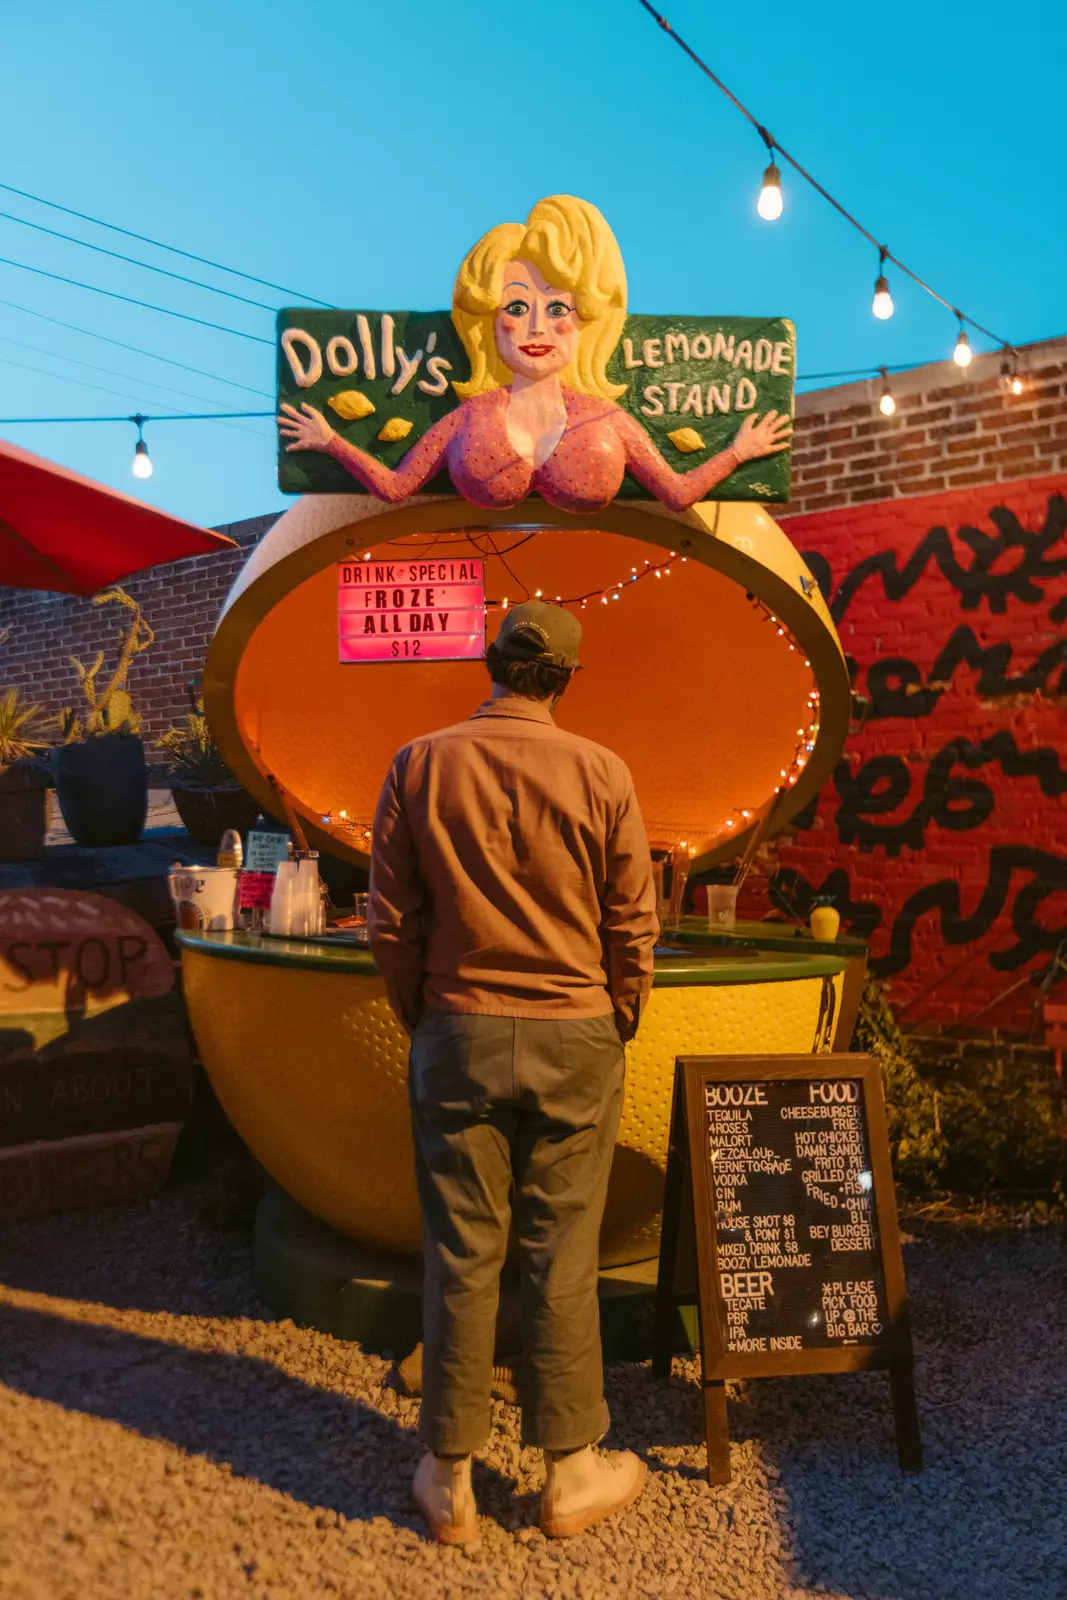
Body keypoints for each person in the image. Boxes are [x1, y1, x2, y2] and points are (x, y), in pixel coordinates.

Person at [368, 600, 659, 1544]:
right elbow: (631, 922)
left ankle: (446, 1476)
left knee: (461, 1249)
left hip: (456, 1029)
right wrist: (619, 1012)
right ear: (566, 680)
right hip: (576, 1032)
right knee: (561, 1251)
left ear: (489, 663)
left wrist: (422, 1013)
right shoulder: (603, 771)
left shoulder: (418, 763)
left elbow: (389, 921)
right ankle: (570, 1471)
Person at [279, 193, 790, 513]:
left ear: (584, 317)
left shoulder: (606, 417)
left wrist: (738, 452)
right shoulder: (473, 415)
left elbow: (677, 494)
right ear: (489, 323)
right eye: (517, 306)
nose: (536, 326)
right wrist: (330, 441)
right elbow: (397, 486)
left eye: (557, 306)